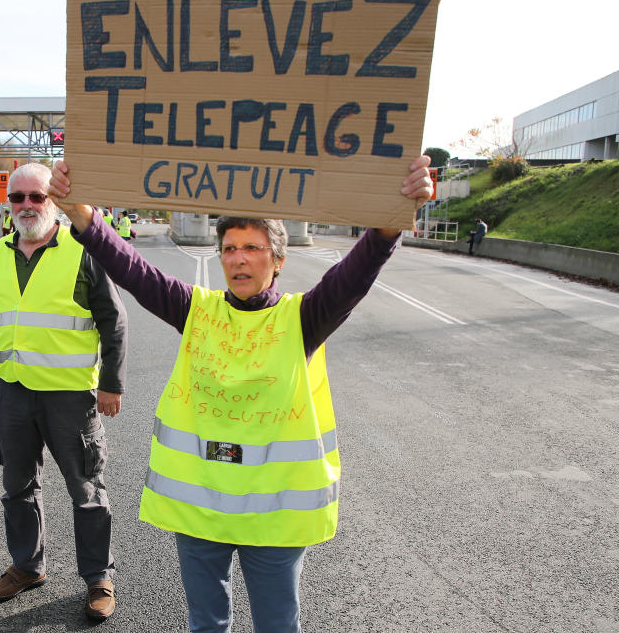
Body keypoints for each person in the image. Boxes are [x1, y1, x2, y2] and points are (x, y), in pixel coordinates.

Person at [49, 155, 433, 633]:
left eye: (252, 247)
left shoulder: (302, 318)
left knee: (276, 625)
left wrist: (387, 223)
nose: (238, 259)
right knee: (206, 624)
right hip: (202, 510)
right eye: (229, 248)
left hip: (272, 518)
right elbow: (135, 270)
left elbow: (352, 276)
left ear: (278, 259)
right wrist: (82, 216)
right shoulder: (196, 310)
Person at [0, 162, 128, 621]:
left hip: (69, 395)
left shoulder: (82, 248)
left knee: (86, 488)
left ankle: (98, 577)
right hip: (13, 392)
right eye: (18, 198)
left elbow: (114, 321)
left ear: (52, 200)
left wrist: (111, 384)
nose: (27, 205)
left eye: (36, 196)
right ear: (7, 203)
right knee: (16, 486)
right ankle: (26, 567)